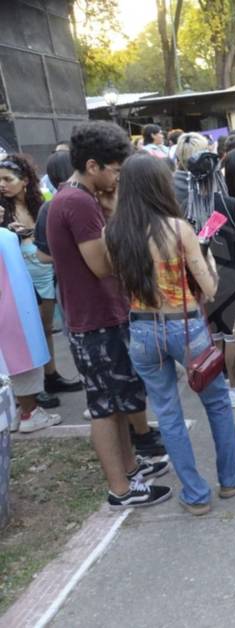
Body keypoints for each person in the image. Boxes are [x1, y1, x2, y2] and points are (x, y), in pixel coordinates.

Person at [106, 153, 235, 515]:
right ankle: (232, 476)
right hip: (185, 325)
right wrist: (207, 262)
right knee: (217, 402)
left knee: (167, 412)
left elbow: (119, 278)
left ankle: (194, 493)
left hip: (141, 328)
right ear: (160, 185)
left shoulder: (111, 232)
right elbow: (210, 288)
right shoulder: (178, 229)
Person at [46, 121, 172, 509]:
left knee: (116, 405)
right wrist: (118, 217)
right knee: (104, 407)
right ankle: (121, 489)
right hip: (95, 320)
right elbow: (102, 265)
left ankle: (131, 471)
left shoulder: (74, 198)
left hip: (98, 315)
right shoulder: (78, 203)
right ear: (92, 165)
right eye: (115, 170)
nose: (118, 178)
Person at [173, 132, 235, 408]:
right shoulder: (230, 206)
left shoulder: (185, 209)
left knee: (216, 335)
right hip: (232, 277)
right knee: (232, 336)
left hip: (202, 279)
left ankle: (221, 382)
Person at [0, 155, 83, 403]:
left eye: (8, 179)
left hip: (45, 271)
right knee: (26, 331)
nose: (2, 185)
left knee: (45, 328)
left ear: (25, 180)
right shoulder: (2, 210)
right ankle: (31, 389)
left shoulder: (42, 202)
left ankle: (50, 375)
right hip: (18, 277)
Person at [0, 227, 61, 434]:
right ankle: (30, 412)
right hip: (12, 306)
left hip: (17, 303)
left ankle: (21, 411)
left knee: (16, 359)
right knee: (21, 360)